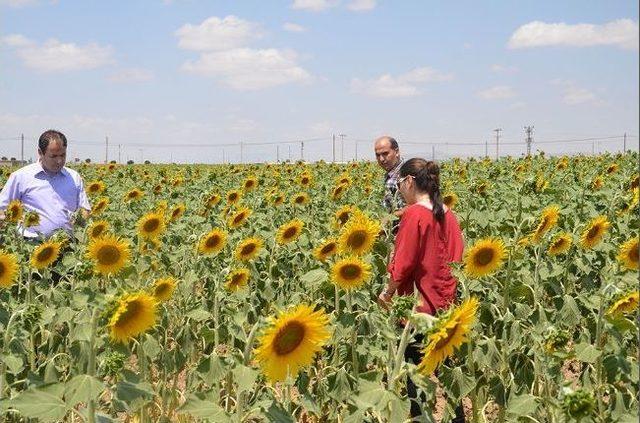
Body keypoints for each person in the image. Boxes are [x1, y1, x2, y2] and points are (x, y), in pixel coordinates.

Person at [378, 158, 466, 422]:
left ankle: (420, 418)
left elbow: (403, 263)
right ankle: (457, 418)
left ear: (408, 182)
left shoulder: (414, 214)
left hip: (418, 308)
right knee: (449, 375)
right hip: (446, 305)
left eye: (399, 186)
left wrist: (387, 293)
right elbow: (457, 257)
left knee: (415, 375)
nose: (399, 192)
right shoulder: (447, 213)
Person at [0, 130, 91, 239]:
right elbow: (2, 209)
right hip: (31, 245)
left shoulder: (74, 177)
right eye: (53, 156)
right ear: (40, 152)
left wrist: (81, 220)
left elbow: (84, 209)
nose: (59, 161)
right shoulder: (21, 177)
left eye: (63, 155)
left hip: (68, 247)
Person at [374, 136, 406, 219]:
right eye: (378, 155)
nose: (381, 159)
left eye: (385, 154)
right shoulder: (390, 175)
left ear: (397, 152)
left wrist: (387, 219)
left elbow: (415, 207)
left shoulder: (406, 174)